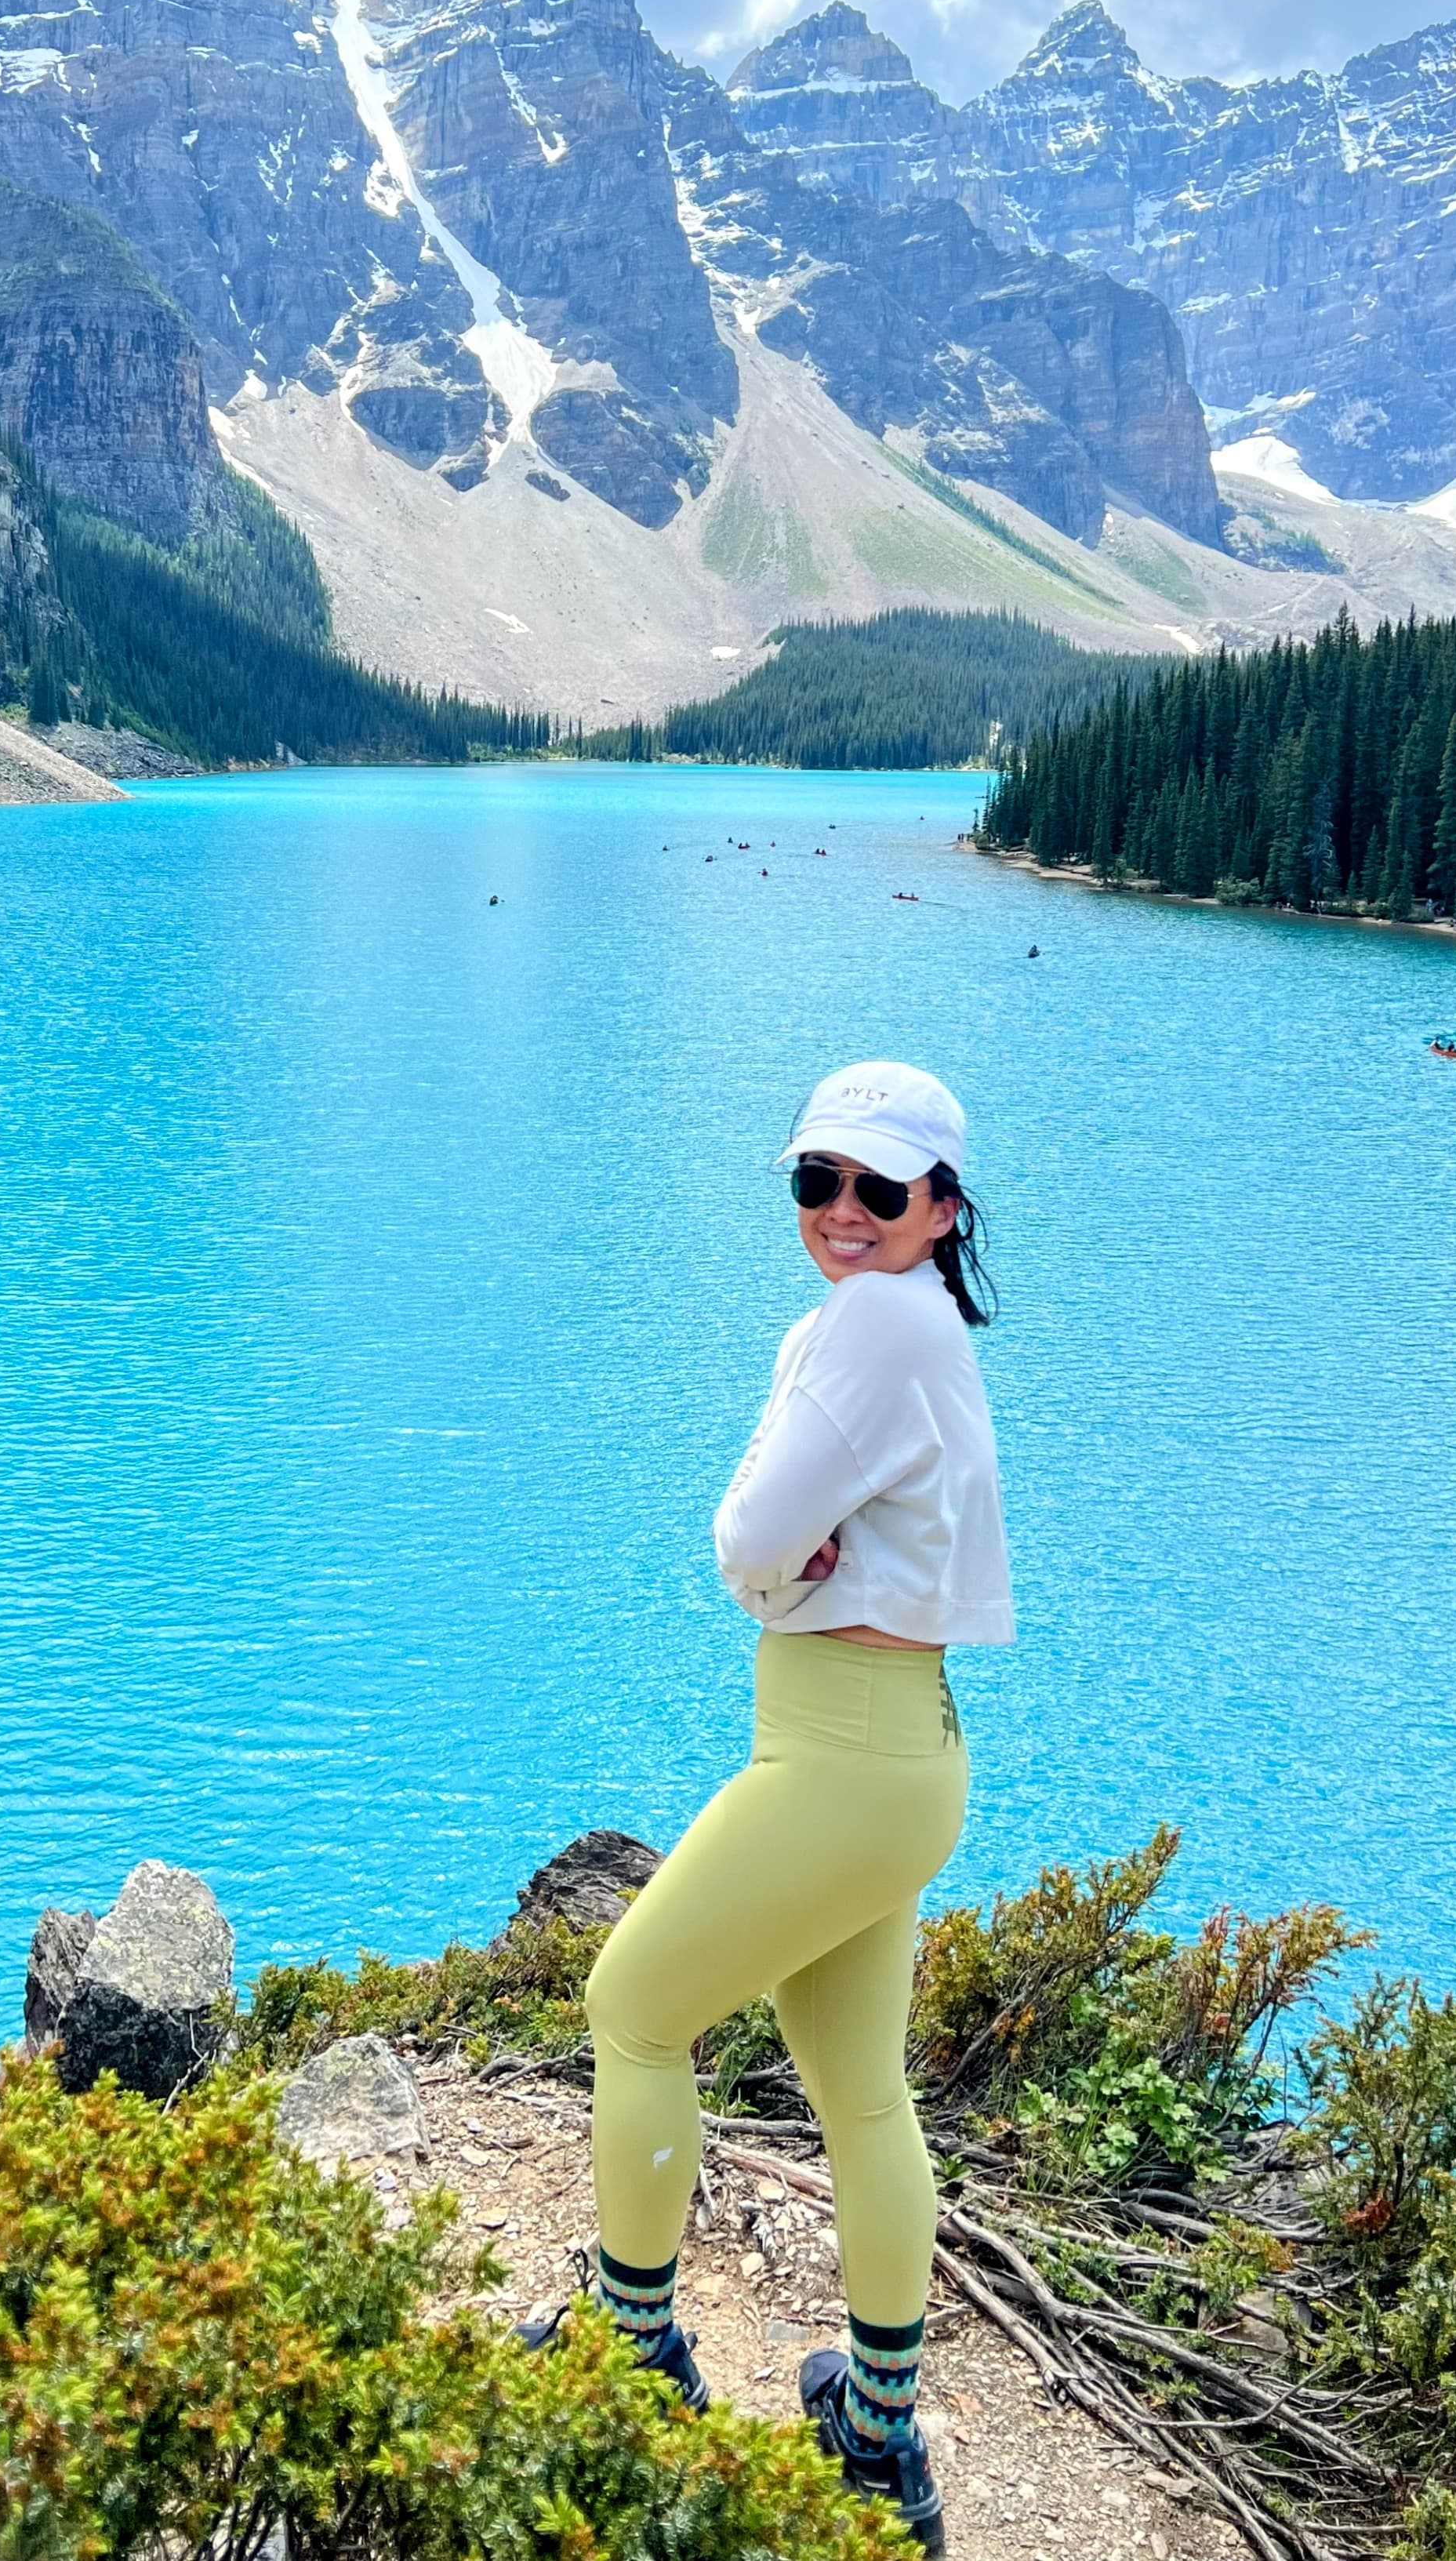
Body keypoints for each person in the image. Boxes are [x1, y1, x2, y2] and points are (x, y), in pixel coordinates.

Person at [524, 1061, 1012, 2552]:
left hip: (843, 1754)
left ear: (940, 1207)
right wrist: (775, 1555)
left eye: (880, 1188)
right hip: (901, 1753)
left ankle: (634, 2354)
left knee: (634, 2004)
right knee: (859, 2087)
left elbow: (747, 1530)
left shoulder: (873, 1323)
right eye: (818, 1182)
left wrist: (757, 1566)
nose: (844, 1213)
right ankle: (876, 2438)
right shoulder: (902, 1327)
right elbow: (779, 1525)